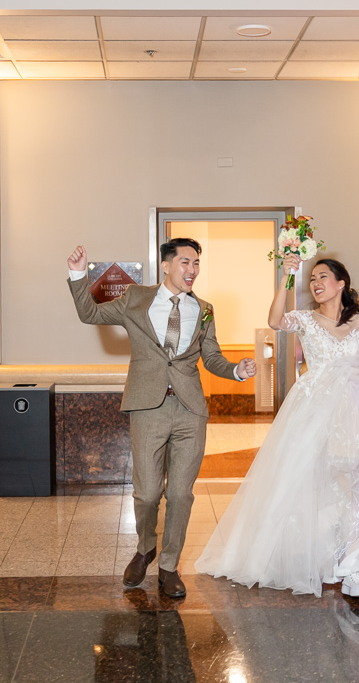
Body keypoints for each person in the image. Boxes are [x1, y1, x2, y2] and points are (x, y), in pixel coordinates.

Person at [195, 254, 359, 598]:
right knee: (312, 483)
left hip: (353, 412)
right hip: (313, 409)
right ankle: (318, 558)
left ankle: (354, 566)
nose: (315, 283)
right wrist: (287, 276)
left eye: (322, 277)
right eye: (311, 279)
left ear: (341, 283)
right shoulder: (305, 319)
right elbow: (274, 319)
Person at [67, 238, 256, 598]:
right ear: (166, 265)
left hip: (189, 410)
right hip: (147, 408)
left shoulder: (205, 309)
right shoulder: (136, 299)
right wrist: (78, 274)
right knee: (147, 493)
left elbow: (212, 358)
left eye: (197, 263)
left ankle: (169, 566)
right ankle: (145, 547)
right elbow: (90, 314)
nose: (192, 270)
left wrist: (237, 370)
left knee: (181, 495)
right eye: (185, 262)